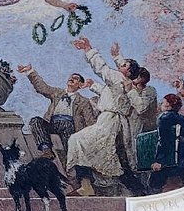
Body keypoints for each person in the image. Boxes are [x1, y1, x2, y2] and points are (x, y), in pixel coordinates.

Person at [63, 38, 148, 196]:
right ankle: (140, 192)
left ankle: (86, 185)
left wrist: (88, 49)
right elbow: (109, 94)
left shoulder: (118, 78)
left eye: (124, 65)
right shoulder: (121, 82)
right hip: (111, 122)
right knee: (118, 161)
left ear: (129, 72)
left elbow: (101, 68)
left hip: (109, 123)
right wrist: (93, 86)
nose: (120, 65)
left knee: (78, 140)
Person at [15, 63, 95, 155]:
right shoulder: (57, 92)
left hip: (69, 125)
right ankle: (46, 150)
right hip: (52, 123)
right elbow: (42, 88)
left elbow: (90, 120)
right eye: (71, 77)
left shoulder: (83, 101)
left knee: (68, 132)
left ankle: (71, 156)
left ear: (80, 85)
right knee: (35, 121)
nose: (72, 78)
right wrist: (30, 71)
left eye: (76, 78)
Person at [148, 94, 184, 193]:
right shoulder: (182, 118)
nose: (161, 104)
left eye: (163, 103)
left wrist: (159, 161)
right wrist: (182, 140)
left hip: (169, 162)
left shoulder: (163, 118)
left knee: (154, 187)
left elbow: (163, 142)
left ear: (168, 105)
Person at [127, 66, 158, 136]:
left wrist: (132, 91)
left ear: (143, 78)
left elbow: (141, 108)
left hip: (146, 128)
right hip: (133, 127)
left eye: (136, 76)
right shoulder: (132, 90)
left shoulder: (150, 91)